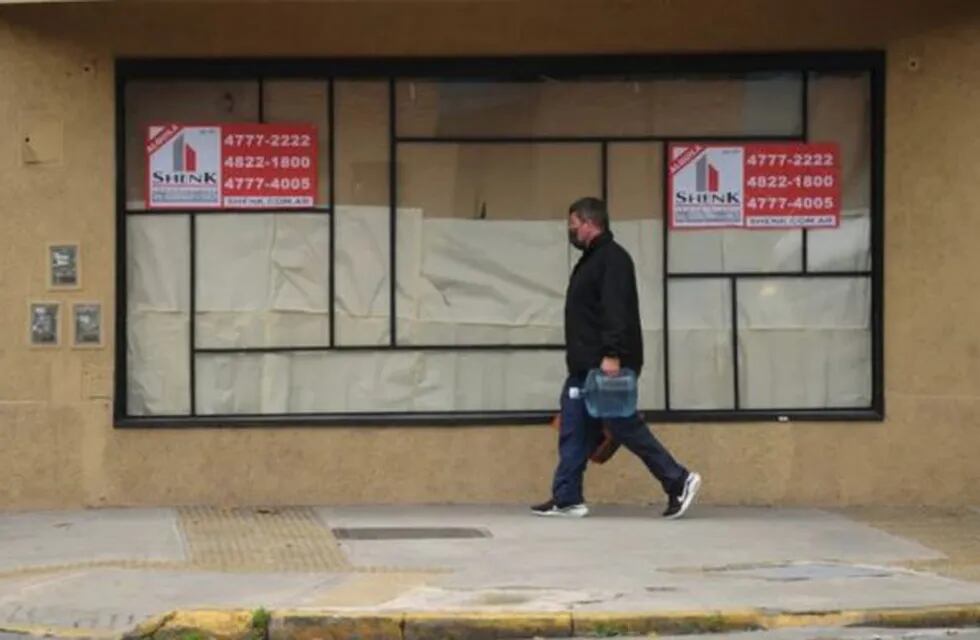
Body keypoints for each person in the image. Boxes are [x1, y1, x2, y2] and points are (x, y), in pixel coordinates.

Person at [532, 197, 702, 520]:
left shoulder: (612, 260)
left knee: (623, 425)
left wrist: (612, 356)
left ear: (588, 222)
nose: (570, 231)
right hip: (584, 366)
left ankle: (678, 480)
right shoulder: (592, 260)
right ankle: (567, 497)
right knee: (574, 425)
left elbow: (616, 311)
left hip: (606, 365)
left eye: (572, 225)